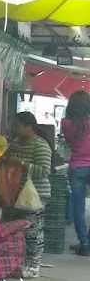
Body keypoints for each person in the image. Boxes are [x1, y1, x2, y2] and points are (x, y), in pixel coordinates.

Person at [5, 112, 52, 277]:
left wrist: (22, 164)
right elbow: (6, 157)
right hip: (17, 194)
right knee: (19, 230)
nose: (14, 129)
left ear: (29, 127)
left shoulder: (40, 145)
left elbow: (44, 171)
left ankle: (34, 265)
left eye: (17, 126)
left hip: (36, 195)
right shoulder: (15, 144)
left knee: (33, 231)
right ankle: (21, 262)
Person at [60, 90, 90, 255]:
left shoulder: (66, 123)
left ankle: (84, 243)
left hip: (77, 166)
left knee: (78, 208)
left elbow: (69, 142)